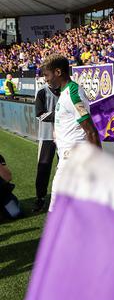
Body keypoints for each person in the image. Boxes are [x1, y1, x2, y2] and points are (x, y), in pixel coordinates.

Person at [40, 54, 101, 212]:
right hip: (69, 158)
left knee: (56, 209)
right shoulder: (66, 92)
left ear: (58, 72)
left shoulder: (72, 94)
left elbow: (91, 131)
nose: (45, 79)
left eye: (47, 75)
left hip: (73, 160)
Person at [33, 83, 59, 213]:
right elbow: (39, 114)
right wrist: (60, 114)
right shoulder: (42, 91)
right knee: (43, 168)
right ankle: (40, 198)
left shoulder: (66, 89)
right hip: (47, 136)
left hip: (64, 138)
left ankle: (63, 197)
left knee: (65, 169)